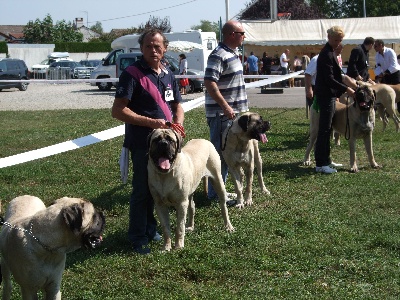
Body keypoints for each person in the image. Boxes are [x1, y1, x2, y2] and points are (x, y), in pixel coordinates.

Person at [111, 29, 185, 254]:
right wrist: (150, 122)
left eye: (157, 46)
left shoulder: (168, 73)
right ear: (141, 48)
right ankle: (137, 238)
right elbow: (118, 110)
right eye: (148, 46)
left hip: (167, 142)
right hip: (144, 144)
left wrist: (178, 125)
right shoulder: (132, 74)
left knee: (157, 191)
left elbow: (177, 105)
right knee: (143, 191)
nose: (153, 50)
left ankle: (150, 229)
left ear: (165, 48)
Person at [204, 20, 248, 204]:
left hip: (233, 115)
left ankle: (220, 190)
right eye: (242, 33)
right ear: (232, 34)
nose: (244, 37)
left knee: (228, 153)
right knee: (220, 154)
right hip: (222, 115)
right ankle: (215, 195)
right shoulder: (218, 55)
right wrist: (226, 106)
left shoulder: (233, 53)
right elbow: (209, 82)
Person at [314, 26, 355, 174]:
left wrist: (350, 84)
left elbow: (338, 75)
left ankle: (327, 160)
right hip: (325, 96)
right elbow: (329, 79)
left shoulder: (331, 52)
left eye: (341, 40)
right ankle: (320, 164)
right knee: (324, 130)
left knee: (328, 128)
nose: (339, 42)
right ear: (329, 37)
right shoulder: (326, 54)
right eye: (336, 39)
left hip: (330, 96)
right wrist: (346, 89)